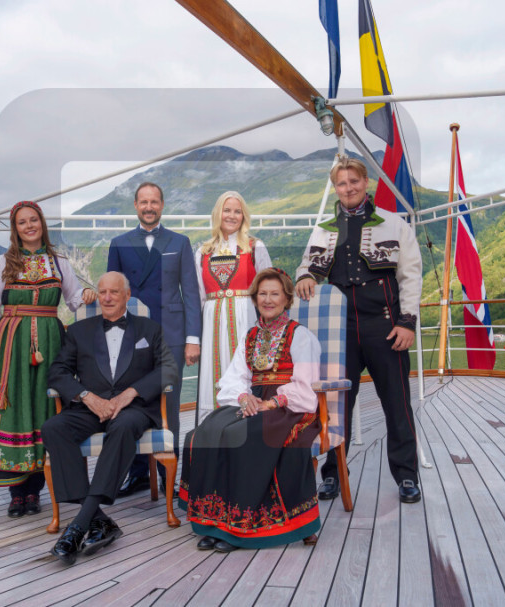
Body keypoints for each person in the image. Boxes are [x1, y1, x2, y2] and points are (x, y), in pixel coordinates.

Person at [295, 158, 423, 504]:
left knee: (397, 403)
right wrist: (305, 276)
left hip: (385, 325)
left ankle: (407, 475)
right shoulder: (323, 229)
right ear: (335, 188)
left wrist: (407, 322)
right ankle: (333, 473)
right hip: (340, 331)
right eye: (342, 183)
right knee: (336, 405)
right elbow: (307, 266)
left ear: (366, 182)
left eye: (354, 181)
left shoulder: (394, 224)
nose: (348, 188)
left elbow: (410, 276)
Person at [0, 200, 96, 517]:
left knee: (44, 409)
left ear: (42, 223)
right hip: (11, 346)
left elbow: (74, 300)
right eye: (22, 222)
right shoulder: (2, 262)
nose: (29, 226)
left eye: (33, 220)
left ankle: (35, 491)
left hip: (51, 344)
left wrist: (87, 295)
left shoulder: (59, 262)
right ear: (15, 229)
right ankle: (16, 493)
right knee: (16, 410)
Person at [179, 268, 322, 552]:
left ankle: (241, 526)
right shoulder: (250, 336)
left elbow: (305, 386)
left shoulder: (300, 336)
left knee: (243, 436)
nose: (268, 300)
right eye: (262, 294)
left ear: (287, 298)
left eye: (275, 294)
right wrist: (244, 398)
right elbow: (235, 377)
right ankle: (214, 520)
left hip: (290, 407)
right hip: (253, 401)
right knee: (207, 431)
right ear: (255, 299)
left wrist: (272, 403)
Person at [43, 272, 179, 565]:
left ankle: (78, 526)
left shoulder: (150, 329)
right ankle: (100, 520)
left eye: (114, 292)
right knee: (53, 427)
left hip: (134, 409)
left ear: (127, 295)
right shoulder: (78, 331)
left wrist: (131, 393)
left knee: (123, 427)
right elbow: (58, 372)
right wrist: (86, 397)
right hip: (90, 407)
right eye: (102, 292)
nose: (106, 298)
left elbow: (168, 369)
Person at [107, 182, 201, 496]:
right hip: (130, 336)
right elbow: (112, 296)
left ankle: (167, 476)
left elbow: (191, 293)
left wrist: (193, 338)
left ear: (162, 205)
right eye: (144, 202)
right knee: (131, 403)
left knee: (169, 406)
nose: (149, 207)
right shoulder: (119, 244)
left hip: (172, 334)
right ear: (136, 206)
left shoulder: (180, 242)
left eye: (154, 202)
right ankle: (137, 474)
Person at [194, 191, 271, 412]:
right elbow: (199, 296)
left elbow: (269, 290)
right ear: (218, 213)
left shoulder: (255, 247)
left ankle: (247, 419)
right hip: (213, 322)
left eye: (238, 211)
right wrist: (198, 335)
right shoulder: (203, 252)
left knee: (246, 368)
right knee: (214, 369)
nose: (232, 215)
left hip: (246, 317)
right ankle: (213, 423)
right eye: (226, 210)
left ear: (243, 216)